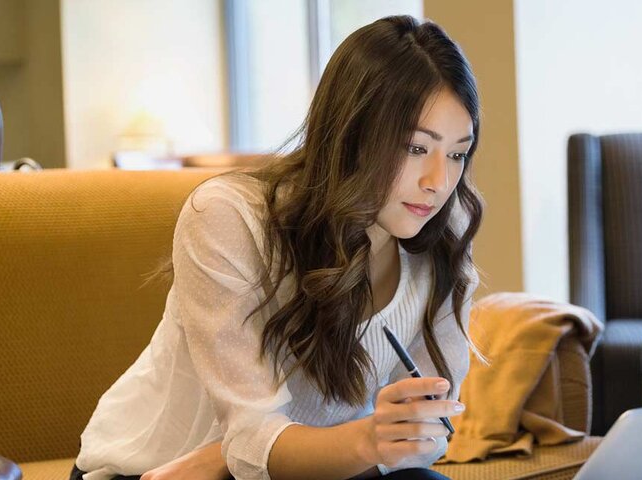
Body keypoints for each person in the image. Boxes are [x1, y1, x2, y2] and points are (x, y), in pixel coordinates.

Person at [72, 15, 483, 480]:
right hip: (157, 471)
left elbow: (429, 435)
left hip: (302, 467)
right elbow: (253, 441)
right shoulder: (229, 219)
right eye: (414, 148)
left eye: (456, 153)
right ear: (351, 134)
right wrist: (367, 439)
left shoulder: (444, 234)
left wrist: (392, 436)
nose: (438, 182)